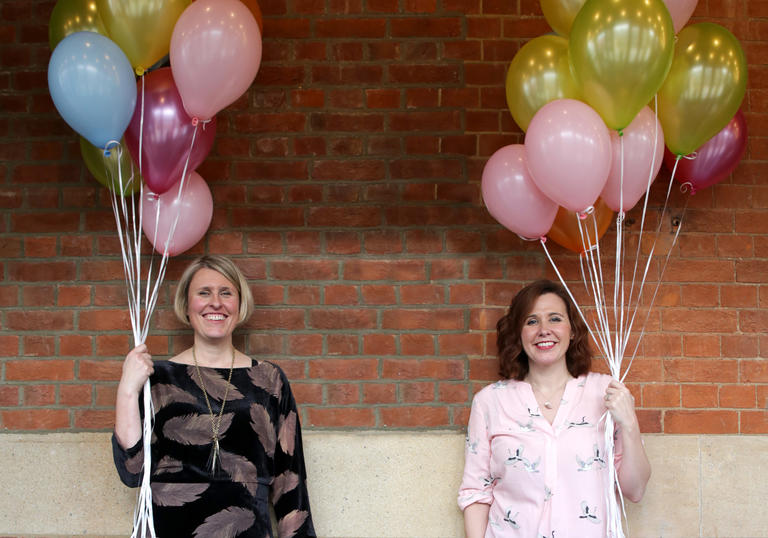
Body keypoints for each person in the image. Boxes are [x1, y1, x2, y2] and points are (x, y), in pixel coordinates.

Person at [113, 255, 316, 537]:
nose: (216, 303)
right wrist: (127, 389)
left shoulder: (270, 380)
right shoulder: (157, 378)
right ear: (186, 305)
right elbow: (132, 471)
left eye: (226, 293)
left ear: (240, 303)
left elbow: (289, 482)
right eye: (204, 293)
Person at [458, 279, 650, 537]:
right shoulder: (490, 402)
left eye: (555, 319)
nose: (544, 330)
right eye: (532, 321)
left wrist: (630, 424)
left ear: (572, 330)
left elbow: (635, 490)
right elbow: (475, 494)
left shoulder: (605, 392)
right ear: (519, 333)